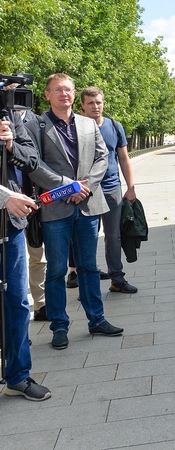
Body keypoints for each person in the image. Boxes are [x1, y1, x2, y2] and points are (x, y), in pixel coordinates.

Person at [26, 73, 123, 350]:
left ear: (74, 93)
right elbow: (35, 165)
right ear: (47, 94)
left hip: (88, 205)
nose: (64, 94)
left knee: (89, 267)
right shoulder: (37, 125)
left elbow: (103, 156)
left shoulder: (88, 124)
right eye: (58, 90)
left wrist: (87, 186)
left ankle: (97, 319)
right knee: (56, 270)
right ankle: (59, 326)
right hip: (55, 209)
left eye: (68, 89)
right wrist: (67, 187)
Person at [0, 109, 52, 401]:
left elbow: (31, 158)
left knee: (18, 303)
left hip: (11, 227)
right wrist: (5, 197)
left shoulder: (9, 113)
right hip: (8, 205)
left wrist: (9, 144)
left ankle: (17, 376)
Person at [80, 86, 138, 294]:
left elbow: (123, 158)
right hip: (86, 192)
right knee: (87, 238)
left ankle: (117, 279)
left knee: (114, 236)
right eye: (90, 103)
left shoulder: (114, 126)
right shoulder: (77, 127)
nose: (95, 106)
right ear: (82, 106)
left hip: (112, 189)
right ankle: (88, 285)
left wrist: (130, 187)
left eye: (98, 102)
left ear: (103, 103)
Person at [19, 108, 49, 321]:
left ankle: (40, 304)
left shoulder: (38, 123)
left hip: (34, 200)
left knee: (37, 256)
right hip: (7, 201)